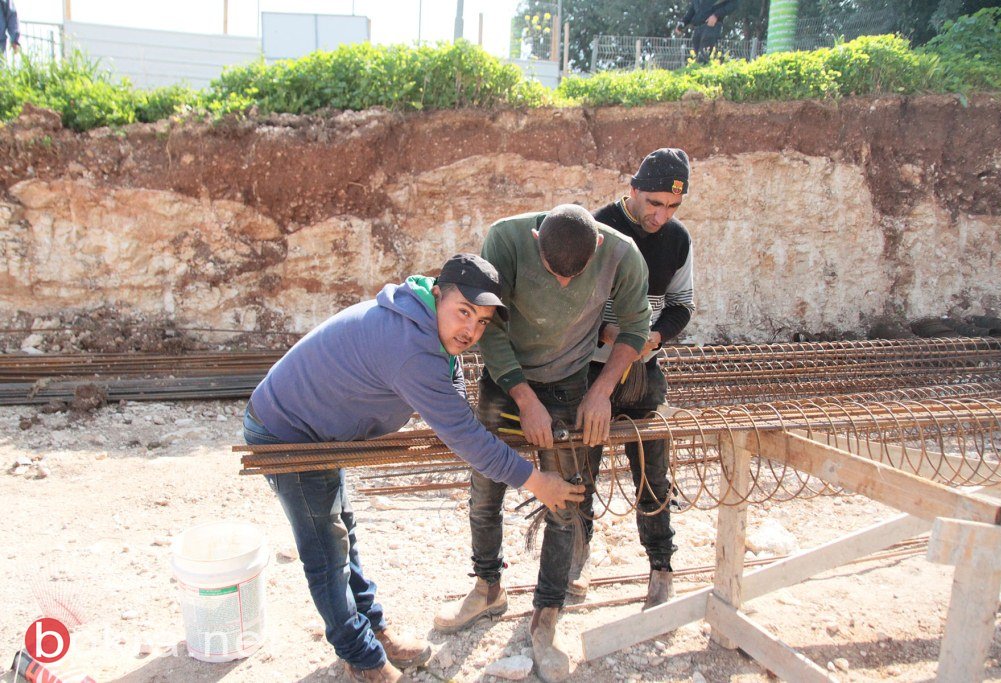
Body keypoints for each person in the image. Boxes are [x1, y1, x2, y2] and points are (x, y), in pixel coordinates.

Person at [244, 253, 585, 683]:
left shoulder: (424, 319)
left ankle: (372, 629)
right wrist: (536, 481)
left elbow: (451, 377)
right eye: (464, 313)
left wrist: (453, 408)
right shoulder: (408, 347)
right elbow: (465, 435)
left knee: (342, 530)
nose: (470, 331)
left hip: (319, 428)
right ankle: (363, 659)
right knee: (326, 551)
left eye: (481, 322)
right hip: (286, 431)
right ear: (438, 293)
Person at [434, 205, 652, 682]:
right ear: (536, 241)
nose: (566, 286)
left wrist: (601, 391)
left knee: (566, 498)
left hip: (571, 381)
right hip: (504, 378)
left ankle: (546, 611)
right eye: (554, 274)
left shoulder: (623, 255)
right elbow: (487, 329)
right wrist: (523, 396)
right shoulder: (506, 240)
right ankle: (488, 586)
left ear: (596, 247)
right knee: (485, 489)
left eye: (575, 276)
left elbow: (635, 327)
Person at [575, 148, 695, 609]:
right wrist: (609, 333)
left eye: (672, 207)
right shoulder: (596, 228)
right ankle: (574, 562)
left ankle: (661, 568)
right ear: (633, 190)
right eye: (654, 203)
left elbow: (682, 303)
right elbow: (571, 298)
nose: (661, 215)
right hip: (587, 372)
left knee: (653, 474)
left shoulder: (678, 240)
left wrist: (655, 338)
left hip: (643, 374)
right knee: (580, 470)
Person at [674, 0, 739, 64]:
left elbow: (734, 3)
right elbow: (691, 13)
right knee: (698, 60)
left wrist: (716, 15)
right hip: (697, 29)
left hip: (711, 27)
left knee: (704, 58)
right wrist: (682, 24)